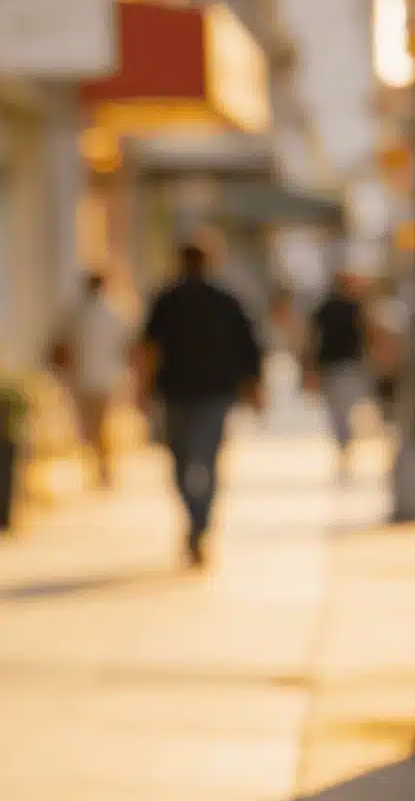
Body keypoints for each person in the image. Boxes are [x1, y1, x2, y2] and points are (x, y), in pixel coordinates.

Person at [135, 239, 266, 568]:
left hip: (191, 393)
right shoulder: (201, 300)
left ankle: (198, 521)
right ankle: (199, 519)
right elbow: (250, 348)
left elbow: (149, 350)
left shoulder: (181, 300)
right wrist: (254, 389)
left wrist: (143, 389)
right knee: (199, 460)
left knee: (189, 460)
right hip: (199, 393)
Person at [53, 272, 133, 490]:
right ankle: (101, 467)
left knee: (90, 427)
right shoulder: (113, 314)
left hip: (83, 379)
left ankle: (100, 467)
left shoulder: (75, 315)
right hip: (106, 379)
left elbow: (60, 346)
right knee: (100, 426)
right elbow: (126, 347)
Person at [304, 271, 376, 480]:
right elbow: (312, 338)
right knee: (340, 411)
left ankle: (344, 445)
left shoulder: (353, 307)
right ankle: (343, 445)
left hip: (344, 366)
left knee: (341, 411)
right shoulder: (339, 308)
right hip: (336, 366)